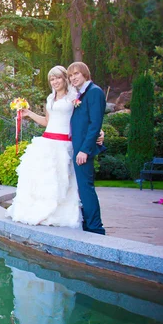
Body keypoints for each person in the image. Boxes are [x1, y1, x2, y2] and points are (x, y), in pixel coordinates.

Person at [7, 66, 83, 228]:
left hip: (63, 144)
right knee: (41, 180)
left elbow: (85, 118)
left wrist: (100, 132)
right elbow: (48, 122)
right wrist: (29, 113)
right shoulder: (50, 98)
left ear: (65, 78)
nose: (55, 82)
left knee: (60, 180)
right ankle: (37, 211)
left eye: (58, 78)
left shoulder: (74, 97)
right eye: (52, 79)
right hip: (46, 141)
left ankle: (57, 214)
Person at [67, 62, 106, 235]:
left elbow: (95, 123)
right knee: (81, 187)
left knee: (86, 187)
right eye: (70, 75)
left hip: (83, 150)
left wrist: (84, 150)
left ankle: (96, 228)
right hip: (77, 147)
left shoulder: (94, 92)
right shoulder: (81, 94)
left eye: (76, 74)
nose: (73, 78)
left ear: (85, 74)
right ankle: (88, 223)